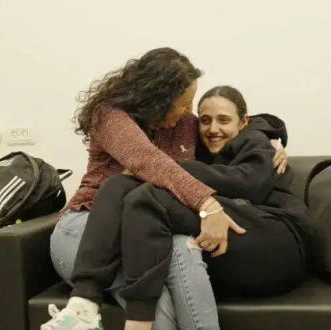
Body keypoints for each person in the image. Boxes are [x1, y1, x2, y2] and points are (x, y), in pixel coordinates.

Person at [42, 48, 287, 330]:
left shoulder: (183, 124)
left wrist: (269, 138)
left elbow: (228, 122)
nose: (189, 111)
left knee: (184, 247)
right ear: (158, 99)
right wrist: (207, 204)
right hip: (89, 225)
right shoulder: (110, 115)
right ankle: (82, 311)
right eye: (183, 104)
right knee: (158, 304)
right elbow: (148, 161)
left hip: (145, 227)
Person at [115, 85, 310, 329]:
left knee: (150, 197)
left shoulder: (255, 140)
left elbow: (248, 184)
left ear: (243, 122)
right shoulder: (200, 147)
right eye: (205, 121)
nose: (213, 129)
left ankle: (130, 315)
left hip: (279, 238)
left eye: (224, 120)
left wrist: (169, 169)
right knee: (153, 211)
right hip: (245, 240)